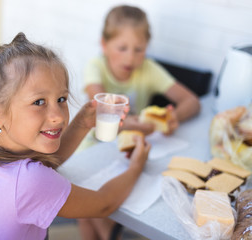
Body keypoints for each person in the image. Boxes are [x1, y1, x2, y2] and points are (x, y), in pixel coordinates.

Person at [0, 32, 150, 240]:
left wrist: (82, 123)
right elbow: (104, 204)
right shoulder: (28, 182)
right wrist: (137, 165)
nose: (57, 117)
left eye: (62, 99)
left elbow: (40, 168)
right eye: (38, 102)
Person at [78, 5, 201, 240]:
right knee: (87, 207)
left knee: (94, 209)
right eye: (122, 48)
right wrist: (133, 124)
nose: (130, 57)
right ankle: (110, 233)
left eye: (139, 49)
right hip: (92, 146)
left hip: (126, 150)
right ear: (104, 45)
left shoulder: (148, 69)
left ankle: (109, 232)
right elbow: (99, 114)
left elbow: (192, 101)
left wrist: (173, 117)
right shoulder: (96, 67)